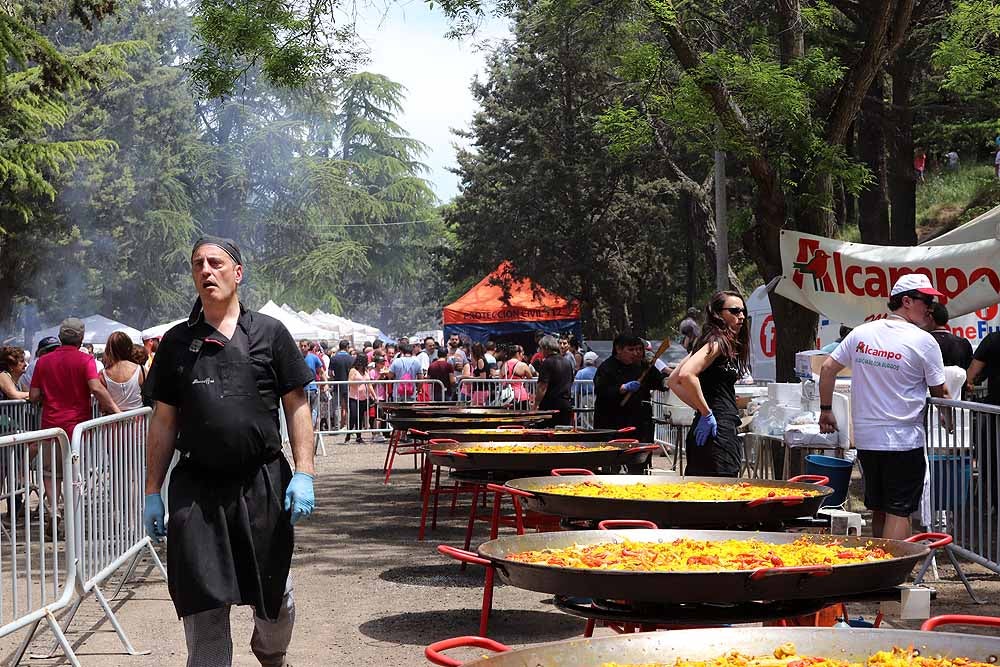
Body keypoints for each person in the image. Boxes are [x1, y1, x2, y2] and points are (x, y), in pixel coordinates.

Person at [142, 236, 315, 667]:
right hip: (197, 492)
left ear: (238, 273)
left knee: (278, 602)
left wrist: (305, 472)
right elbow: (163, 421)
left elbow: (297, 406)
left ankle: (271, 654)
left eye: (215, 262)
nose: (206, 270)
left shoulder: (270, 334)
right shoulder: (177, 343)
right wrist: (151, 491)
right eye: (198, 263)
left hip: (262, 484)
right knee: (203, 604)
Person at [819, 274, 949, 541]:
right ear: (906, 301)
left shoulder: (862, 332)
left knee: (879, 507)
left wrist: (826, 409)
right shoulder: (924, 341)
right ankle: (893, 571)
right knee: (898, 511)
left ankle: (878, 568)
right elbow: (942, 391)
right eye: (926, 300)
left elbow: (827, 368)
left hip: (868, 438)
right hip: (902, 440)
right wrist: (948, 416)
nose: (931, 307)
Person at [668, 291, 750, 478]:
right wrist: (706, 412)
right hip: (717, 432)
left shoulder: (708, 342)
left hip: (709, 428)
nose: (741, 316)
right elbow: (686, 375)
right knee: (720, 494)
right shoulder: (718, 342)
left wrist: (703, 409)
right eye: (735, 311)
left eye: (743, 311)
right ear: (718, 314)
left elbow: (674, 380)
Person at [595, 334, 668, 445]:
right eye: (631, 350)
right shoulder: (606, 368)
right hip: (613, 422)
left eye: (639, 349)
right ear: (618, 349)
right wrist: (622, 388)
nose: (635, 353)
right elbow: (602, 390)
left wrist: (667, 381)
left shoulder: (644, 366)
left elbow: (659, 382)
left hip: (640, 423)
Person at [532, 335, 574, 426]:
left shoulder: (547, 363)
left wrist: (536, 404)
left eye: (541, 348)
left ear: (546, 348)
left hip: (550, 406)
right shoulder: (567, 362)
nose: (540, 351)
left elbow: (542, 387)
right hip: (566, 405)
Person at [99, 332, 145, 411]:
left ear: (109, 349)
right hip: (139, 419)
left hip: (114, 420)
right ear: (129, 347)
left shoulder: (103, 374)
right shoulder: (141, 370)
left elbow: (103, 405)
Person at [929, 304, 973, 370]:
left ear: (930, 317)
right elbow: (970, 370)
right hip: (960, 379)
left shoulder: (925, 342)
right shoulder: (963, 343)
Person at [347, 355, 375, 442]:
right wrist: (359, 382)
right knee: (353, 416)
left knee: (360, 417)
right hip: (354, 397)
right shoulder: (353, 370)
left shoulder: (366, 371)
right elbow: (350, 383)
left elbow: (369, 385)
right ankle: (348, 434)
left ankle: (359, 436)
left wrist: (374, 395)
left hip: (364, 397)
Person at [328, 339, 353, 429]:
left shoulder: (333, 358)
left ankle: (337, 425)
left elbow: (330, 373)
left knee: (336, 407)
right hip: (348, 385)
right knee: (348, 406)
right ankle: (348, 425)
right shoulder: (351, 359)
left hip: (337, 384)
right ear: (347, 347)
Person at [500, 344, 535, 410]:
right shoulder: (523, 365)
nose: (523, 355)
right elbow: (530, 377)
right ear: (518, 353)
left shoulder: (504, 365)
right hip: (520, 396)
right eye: (522, 353)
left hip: (506, 397)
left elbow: (501, 379)